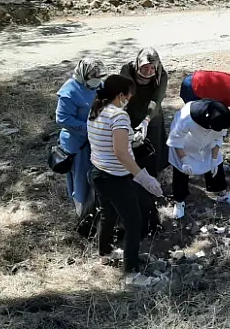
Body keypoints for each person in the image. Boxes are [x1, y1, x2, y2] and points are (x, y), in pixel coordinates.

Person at [87, 74, 164, 287]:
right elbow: (121, 152)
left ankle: (105, 254)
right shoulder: (119, 116)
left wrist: (132, 137)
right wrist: (143, 177)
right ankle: (131, 274)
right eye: (129, 95)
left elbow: (110, 141)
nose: (130, 98)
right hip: (115, 177)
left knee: (108, 215)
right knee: (133, 221)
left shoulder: (96, 109)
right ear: (120, 95)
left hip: (98, 172)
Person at [120, 47, 168, 235]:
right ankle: (133, 179)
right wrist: (122, 117)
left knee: (152, 150)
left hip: (152, 116)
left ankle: (151, 186)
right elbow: (123, 94)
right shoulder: (127, 70)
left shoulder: (162, 76)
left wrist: (146, 121)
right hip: (130, 112)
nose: (148, 72)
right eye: (144, 67)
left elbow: (157, 98)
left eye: (152, 68)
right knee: (131, 149)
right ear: (138, 64)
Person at [167, 99, 230, 218]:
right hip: (185, 147)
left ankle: (222, 194)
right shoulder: (185, 117)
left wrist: (214, 160)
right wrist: (184, 161)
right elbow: (176, 140)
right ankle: (179, 202)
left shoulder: (221, 118)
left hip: (206, 145)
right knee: (181, 171)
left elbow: (218, 139)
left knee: (217, 166)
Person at [55, 58, 106, 216]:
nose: (97, 79)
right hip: (77, 143)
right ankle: (82, 214)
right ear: (84, 75)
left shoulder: (99, 85)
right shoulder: (69, 92)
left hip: (96, 139)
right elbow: (62, 119)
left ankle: (96, 207)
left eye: (99, 76)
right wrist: (89, 128)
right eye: (93, 76)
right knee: (81, 178)